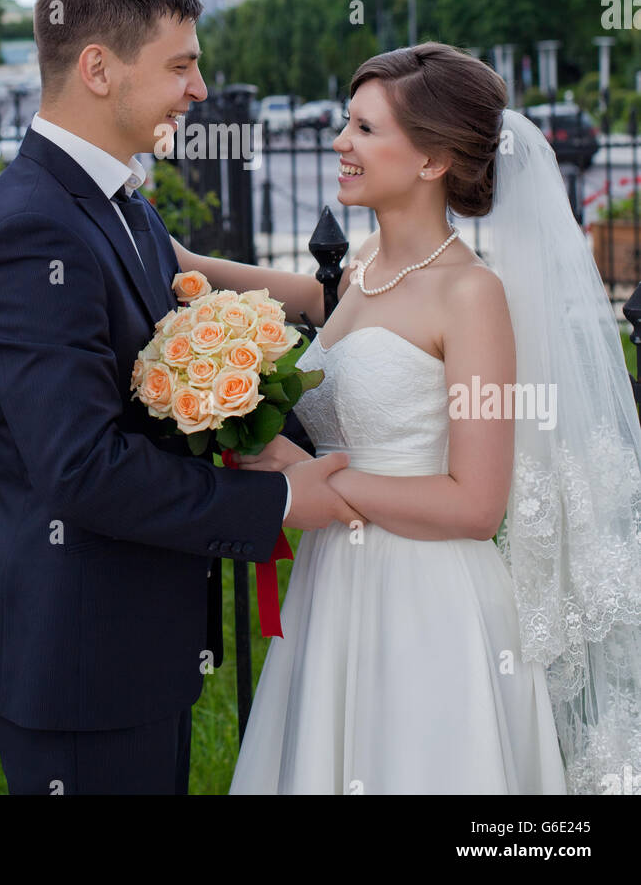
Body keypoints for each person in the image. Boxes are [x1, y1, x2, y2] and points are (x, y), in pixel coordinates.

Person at [0, 0, 361, 796]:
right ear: (98, 68)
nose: (200, 89)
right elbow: (81, 468)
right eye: (181, 65)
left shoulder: (119, 202)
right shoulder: (35, 228)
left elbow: (183, 302)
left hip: (131, 649)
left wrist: (347, 303)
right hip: (79, 664)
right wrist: (285, 501)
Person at [220, 42, 641, 794]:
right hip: (333, 585)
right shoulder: (364, 275)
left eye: (365, 130)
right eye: (346, 123)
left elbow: (477, 505)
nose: (341, 142)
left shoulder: (470, 295)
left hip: (425, 595)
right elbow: (275, 292)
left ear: (432, 161)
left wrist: (314, 481)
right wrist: (165, 254)